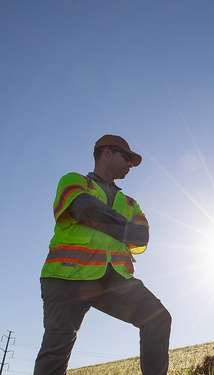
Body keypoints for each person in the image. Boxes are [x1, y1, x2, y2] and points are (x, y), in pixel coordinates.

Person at [34, 135, 171, 374]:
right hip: (66, 276)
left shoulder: (131, 202)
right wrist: (120, 228)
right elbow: (83, 207)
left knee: (157, 317)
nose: (130, 164)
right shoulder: (74, 181)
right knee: (57, 348)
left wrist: (94, 220)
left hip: (113, 278)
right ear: (107, 153)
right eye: (126, 157)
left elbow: (141, 237)